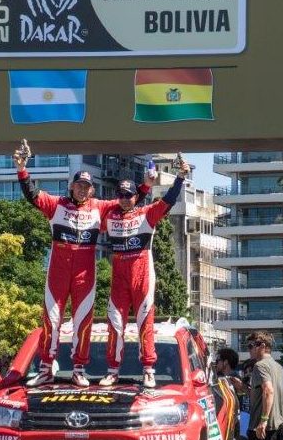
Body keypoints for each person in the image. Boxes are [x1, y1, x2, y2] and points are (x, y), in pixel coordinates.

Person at [14, 145, 151, 387]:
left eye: (86, 186)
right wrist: (22, 169)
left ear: (92, 190)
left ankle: (78, 369)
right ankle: (45, 369)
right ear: (71, 186)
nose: (82, 189)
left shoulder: (100, 207)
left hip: (84, 275)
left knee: (83, 321)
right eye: (79, 185)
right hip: (57, 272)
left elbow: (128, 200)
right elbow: (32, 195)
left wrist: (147, 185)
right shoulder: (56, 204)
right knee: (51, 319)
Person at [99, 159, 189, 388]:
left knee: (145, 322)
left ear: (135, 197)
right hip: (119, 278)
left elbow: (169, 200)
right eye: (121, 195)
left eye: (129, 195)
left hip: (143, 276)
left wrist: (180, 177)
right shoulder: (110, 216)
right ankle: (112, 370)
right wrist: (146, 184)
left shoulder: (147, 213)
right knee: (114, 323)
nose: (124, 199)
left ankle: (148, 369)